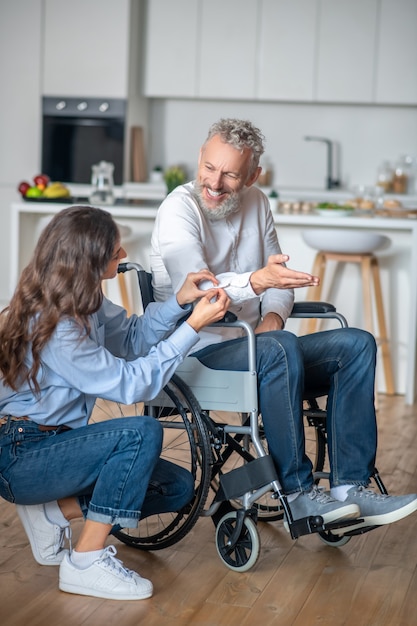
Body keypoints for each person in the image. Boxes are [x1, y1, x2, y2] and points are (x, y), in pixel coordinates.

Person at [150, 117, 417, 533]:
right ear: (199, 159)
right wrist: (259, 286)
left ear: (254, 175)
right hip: (198, 357)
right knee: (280, 347)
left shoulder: (258, 203)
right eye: (209, 168)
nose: (215, 182)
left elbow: (279, 284)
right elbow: (200, 290)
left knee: (357, 344)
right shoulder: (177, 210)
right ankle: (298, 493)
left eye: (230, 174)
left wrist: (272, 316)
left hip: (263, 353)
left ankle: (350, 489)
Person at [0, 205, 230, 601]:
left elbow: (132, 339)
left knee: (175, 488)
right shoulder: (57, 326)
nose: (122, 257)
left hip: (60, 443)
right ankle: (85, 562)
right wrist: (192, 327)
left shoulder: (85, 301)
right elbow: (131, 385)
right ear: (87, 261)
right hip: (23, 453)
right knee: (140, 432)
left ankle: (53, 511)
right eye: (115, 252)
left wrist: (179, 303)